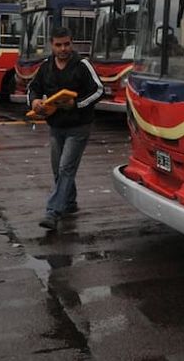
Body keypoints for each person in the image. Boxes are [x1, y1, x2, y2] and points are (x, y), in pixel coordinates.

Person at [28, 26, 104, 231]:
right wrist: (34, 102)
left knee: (66, 168)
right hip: (55, 126)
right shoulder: (46, 66)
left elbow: (99, 90)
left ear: (72, 43)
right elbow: (33, 88)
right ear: (51, 45)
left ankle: (53, 212)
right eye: (58, 45)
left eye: (67, 44)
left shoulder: (83, 65)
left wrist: (76, 104)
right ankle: (69, 202)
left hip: (79, 126)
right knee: (58, 169)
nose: (63, 48)